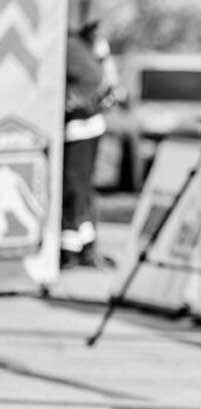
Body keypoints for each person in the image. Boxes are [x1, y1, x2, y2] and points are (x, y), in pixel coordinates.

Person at [61, 21, 119, 269]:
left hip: (80, 127)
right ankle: (82, 247)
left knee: (76, 188)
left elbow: (101, 82)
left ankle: (74, 250)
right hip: (84, 125)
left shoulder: (73, 46)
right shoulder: (76, 46)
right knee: (80, 189)